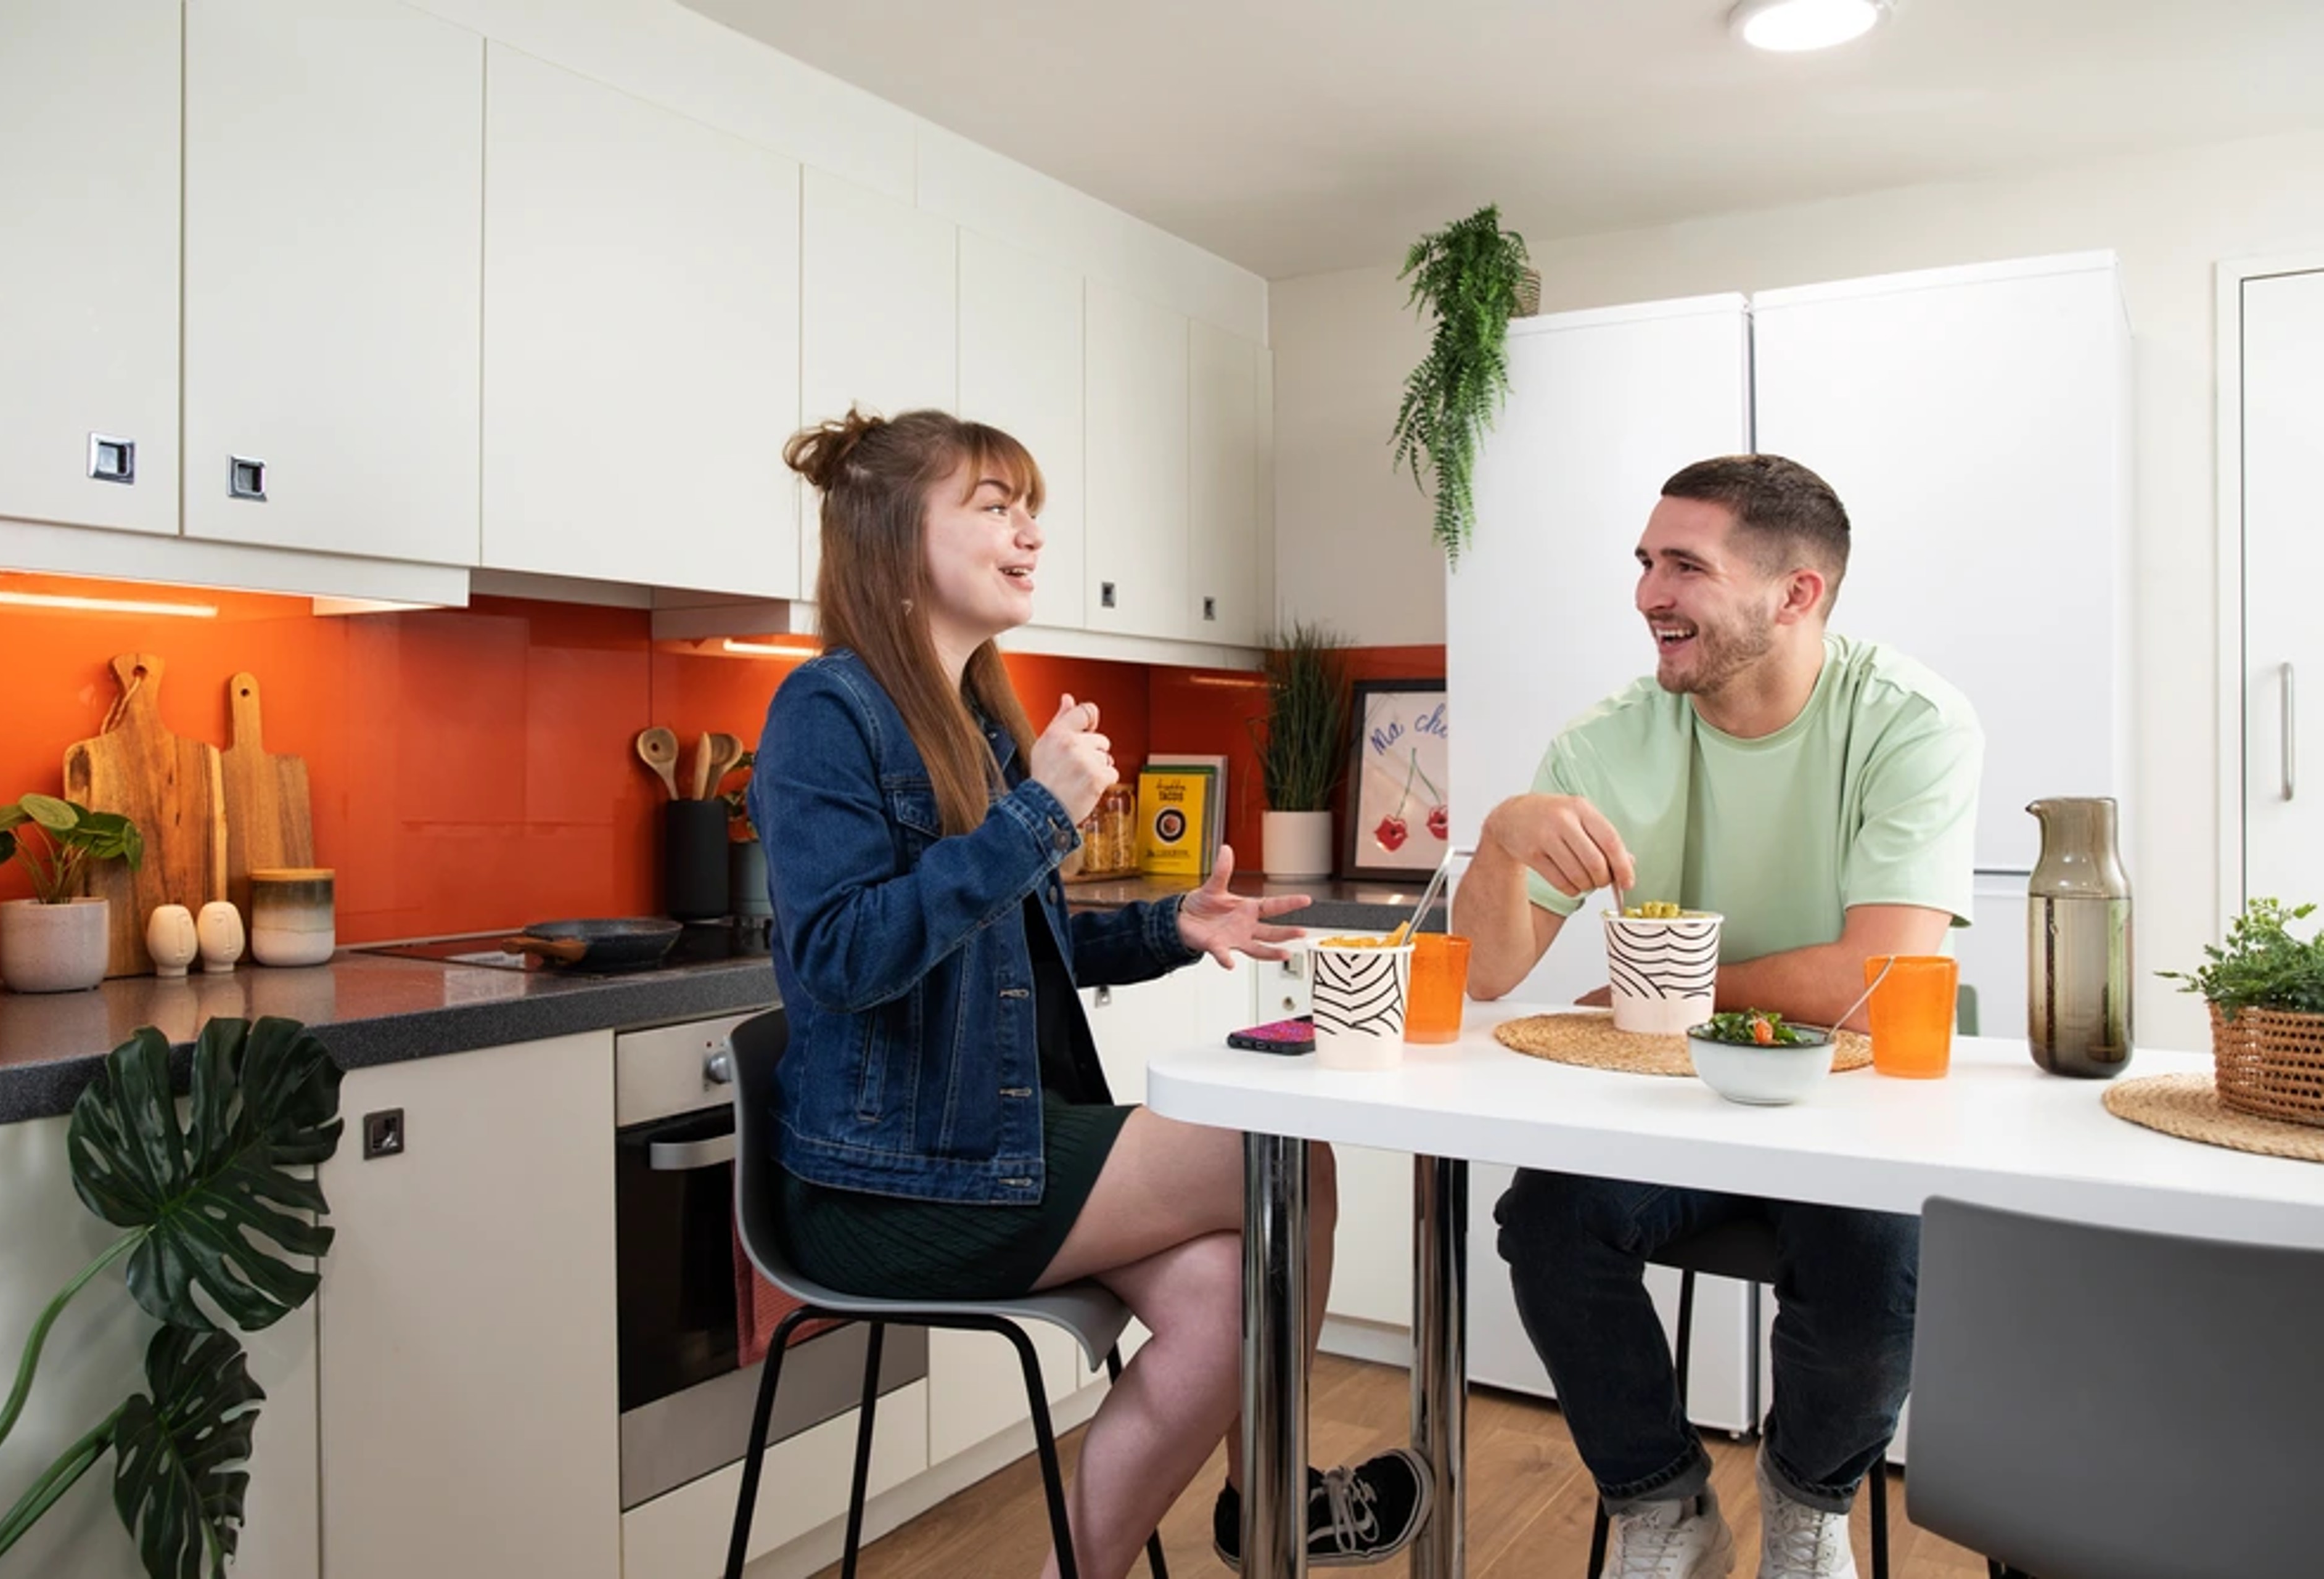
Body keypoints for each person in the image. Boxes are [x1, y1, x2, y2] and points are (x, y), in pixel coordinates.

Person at [749, 408, 1431, 1577]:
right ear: (889, 535)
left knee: (1225, 1290)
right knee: (1287, 1158)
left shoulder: (970, 717)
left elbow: (1016, 939)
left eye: (1033, 510)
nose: (1029, 533)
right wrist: (1036, 814)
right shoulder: (827, 709)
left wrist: (1174, 924)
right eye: (994, 505)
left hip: (984, 1144)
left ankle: (1138, 1552)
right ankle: (1270, 1498)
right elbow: (843, 956)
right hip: (886, 1182)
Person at [1452, 455, 1983, 1579]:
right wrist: (1500, 836)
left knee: (1878, 1242)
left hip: (1841, 1103)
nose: (1649, 592)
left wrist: (1672, 990)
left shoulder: (1912, 722)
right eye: (1647, 562)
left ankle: (1806, 1506)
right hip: (1675, 1105)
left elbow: (1878, 978)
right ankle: (1662, 1505)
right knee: (1547, 1220)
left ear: (1797, 593)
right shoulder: (1606, 739)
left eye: (1685, 565)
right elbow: (1490, 972)